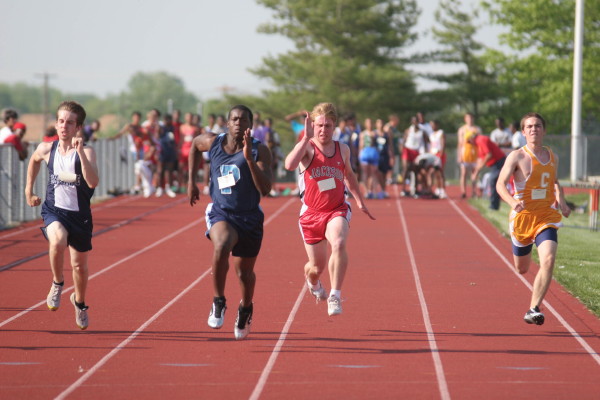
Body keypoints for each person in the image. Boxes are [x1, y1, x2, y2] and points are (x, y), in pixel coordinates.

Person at [187, 105, 272, 340]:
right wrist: (191, 181)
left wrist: (249, 160)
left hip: (250, 217)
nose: (238, 123)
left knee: (244, 274)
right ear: (227, 123)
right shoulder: (213, 142)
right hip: (222, 212)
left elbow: (265, 188)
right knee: (222, 244)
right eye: (234, 119)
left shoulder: (259, 150)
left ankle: (245, 308)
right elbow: (194, 145)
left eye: (243, 120)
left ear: (250, 125)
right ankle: (219, 300)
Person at [284, 102, 375, 317]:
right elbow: (289, 165)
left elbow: (349, 175)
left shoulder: (342, 149)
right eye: (319, 125)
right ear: (312, 126)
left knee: (339, 243)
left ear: (334, 127)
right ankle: (313, 282)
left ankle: (335, 295)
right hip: (311, 214)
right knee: (316, 268)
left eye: (328, 126)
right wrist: (305, 138)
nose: (323, 130)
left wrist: (359, 201)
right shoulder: (307, 147)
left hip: (336, 208)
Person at [24, 101, 99, 330]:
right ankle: (57, 283)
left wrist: (80, 153)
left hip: (80, 216)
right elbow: (34, 160)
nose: (64, 126)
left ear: (78, 127)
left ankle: (79, 302)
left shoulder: (87, 152)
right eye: (61, 121)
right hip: (54, 210)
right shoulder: (47, 148)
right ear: (56, 124)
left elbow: (93, 182)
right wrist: (29, 190)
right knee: (57, 241)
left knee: (79, 267)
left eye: (70, 122)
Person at [496, 112, 571, 325]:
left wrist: (562, 201)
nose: (533, 129)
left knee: (548, 259)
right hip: (523, 217)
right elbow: (500, 184)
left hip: (546, 216)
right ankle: (533, 303)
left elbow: (555, 182)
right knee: (522, 269)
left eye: (537, 125)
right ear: (523, 132)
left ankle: (533, 308)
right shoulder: (516, 156)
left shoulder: (552, 156)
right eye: (529, 126)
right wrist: (513, 203)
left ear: (544, 130)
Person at [466, 127, 506, 210]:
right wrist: (476, 172)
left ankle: (494, 205)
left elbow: (489, 155)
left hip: (499, 162)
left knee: (493, 181)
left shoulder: (480, 140)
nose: (470, 143)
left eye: (469, 141)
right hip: (495, 164)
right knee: (493, 181)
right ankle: (494, 205)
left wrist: (478, 170)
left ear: (471, 138)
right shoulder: (479, 143)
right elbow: (481, 158)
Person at [457, 113, 481, 198]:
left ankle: (474, 191)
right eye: (468, 118)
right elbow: (460, 143)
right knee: (464, 173)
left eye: (471, 118)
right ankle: (463, 191)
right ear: (465, 119)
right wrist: (459, 155)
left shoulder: (477, 129)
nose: (470, 120)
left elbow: (479, 142)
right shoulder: (462, 129)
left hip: (474, 153)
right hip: (465, 153)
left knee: (474, 173)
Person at [358, 118, 379, 199]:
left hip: (373, 153)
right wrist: (360, 154)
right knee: (365, 173)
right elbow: (361, 145)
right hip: (365, 153)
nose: (369, 125)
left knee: (373, 173)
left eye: (371, 123)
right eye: (368, 123)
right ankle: (366, 191)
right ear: (366, 124)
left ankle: (372, 191)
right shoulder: (363, 134)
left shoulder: (375, 133)